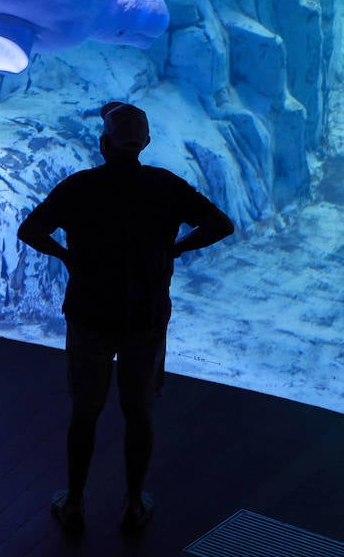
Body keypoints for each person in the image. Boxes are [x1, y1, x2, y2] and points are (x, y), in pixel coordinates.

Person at [18, 101, 234, 533]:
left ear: (103, 144)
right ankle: (134, 503)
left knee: (85, 410)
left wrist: (67, 257)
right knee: (139, 412)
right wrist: (175, 249)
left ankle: (75, 502)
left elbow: (30, 229)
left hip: (89, 313)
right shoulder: (166, 186)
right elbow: (220, 225)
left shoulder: (81, 187)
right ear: (146, 144)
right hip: (146, 317)